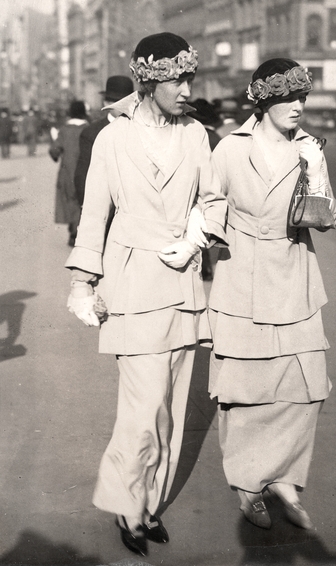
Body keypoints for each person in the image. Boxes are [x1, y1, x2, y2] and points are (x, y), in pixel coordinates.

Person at [64, 32, 227, 556]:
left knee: (170, 408)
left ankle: (147, 505)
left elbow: (213, 198)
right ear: (150, 80)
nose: (186, 89)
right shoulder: (113, 139)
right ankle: (127, 507)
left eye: (189, 79)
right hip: (131, 283)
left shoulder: (197, 135)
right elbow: (94, 213)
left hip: (181, 285)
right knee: (142, 406)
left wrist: (194, 238)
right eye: (177, 79)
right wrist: (82, 282)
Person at [208, 58, 336, 531]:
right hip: (242, 273)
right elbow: (209, 202)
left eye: (303, 97)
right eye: (288, 97)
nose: (298, 106)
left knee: (305, 385)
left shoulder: (310, 148)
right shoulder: (230, 148)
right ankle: (248, 483)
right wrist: (201, 240)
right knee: (245, 387)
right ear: (264, 101)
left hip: (295, 272)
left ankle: (285, 477)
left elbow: (328, 216)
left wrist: (318, 183)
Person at [74, 75, 134, 206]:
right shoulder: (91, 133)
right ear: (106, 104)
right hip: (104, 208)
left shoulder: (140, 128)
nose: (125, 107)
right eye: (120, 102)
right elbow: (82, 177)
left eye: (129, 102)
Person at [188, 98, 223, 280]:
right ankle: (208, 267)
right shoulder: (217, 138)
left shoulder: (193, 135)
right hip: (214, 188)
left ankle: (202, 266)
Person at [49, 101, 89, 247]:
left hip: (67, 173)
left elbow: (54, 151)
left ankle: (73, 231)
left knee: (70, 200)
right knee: (83, 202)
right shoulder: (88, 128)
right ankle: (80, 230)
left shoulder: (64, 130)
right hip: (86, 171)